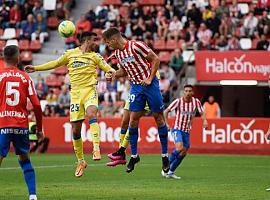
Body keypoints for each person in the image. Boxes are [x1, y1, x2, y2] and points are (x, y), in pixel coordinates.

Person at [25, 32, 116, 178]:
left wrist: (110, 74)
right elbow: (55, 63)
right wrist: (36, 68)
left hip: (89, 91)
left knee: (92, 113)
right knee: (75, 130)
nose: (97, 43)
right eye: (94, 40)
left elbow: (109, 69)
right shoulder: (70, 54)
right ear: (86, 40)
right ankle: (81, 161)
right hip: (75, 94)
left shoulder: (96, 56)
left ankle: (96, 147)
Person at [103, 27, 170, 174]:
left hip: (150, 85)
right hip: (135, 87)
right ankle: (134, 156)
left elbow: (156, 59)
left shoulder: (136, 45)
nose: (108, 46)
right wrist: (113, 74)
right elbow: (124, 71)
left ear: (114, 39)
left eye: (108, 43)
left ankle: (165, 156)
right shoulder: (119, 54)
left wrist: (150, 78)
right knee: (132, 120)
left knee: (158, 118)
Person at [0, 45, 44, 200]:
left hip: (3, 125)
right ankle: (32, 195)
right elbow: (37, 105)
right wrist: (39, 129)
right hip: (21, 126)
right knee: (25, 160)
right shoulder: (26, 78)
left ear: (4, 57)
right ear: (18, 58)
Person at [163, 85, 208, 179]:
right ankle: (165, 166)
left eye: (189, 91)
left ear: (192, 92)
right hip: (177, 129)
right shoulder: (178, 101)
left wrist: (204, 121)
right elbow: (165, 111)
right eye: (186, 91)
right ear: (183, 92)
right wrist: (166, 124)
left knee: (183, 152)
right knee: (179, 148)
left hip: (186, 131)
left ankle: (171, 172)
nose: (188, 93)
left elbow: (202, 113)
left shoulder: (196, 102)